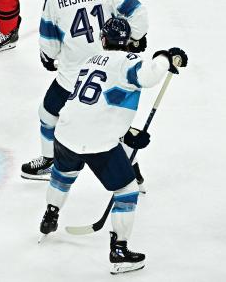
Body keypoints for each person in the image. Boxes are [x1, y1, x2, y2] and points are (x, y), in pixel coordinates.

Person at [38, 17, 188, 274]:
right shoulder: (128, 62)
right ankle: (119, 249)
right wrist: (165, 56)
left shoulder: (90, 60)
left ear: (103, 39)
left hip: (65, 132)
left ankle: (50, 215)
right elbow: (148, 77)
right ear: (128, 41)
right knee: (127, 191)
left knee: (63, 175)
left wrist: (128, 134)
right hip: (99, 143)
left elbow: (97, 105)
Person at [20, 0, 149, 184]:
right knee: (111, 126)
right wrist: (134, 38)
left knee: (48, 113)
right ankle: (134, 174)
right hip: (111, 72)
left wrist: (48, 58)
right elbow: (139, 12)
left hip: (74, 77)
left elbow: (49, 44)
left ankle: (49, 161)